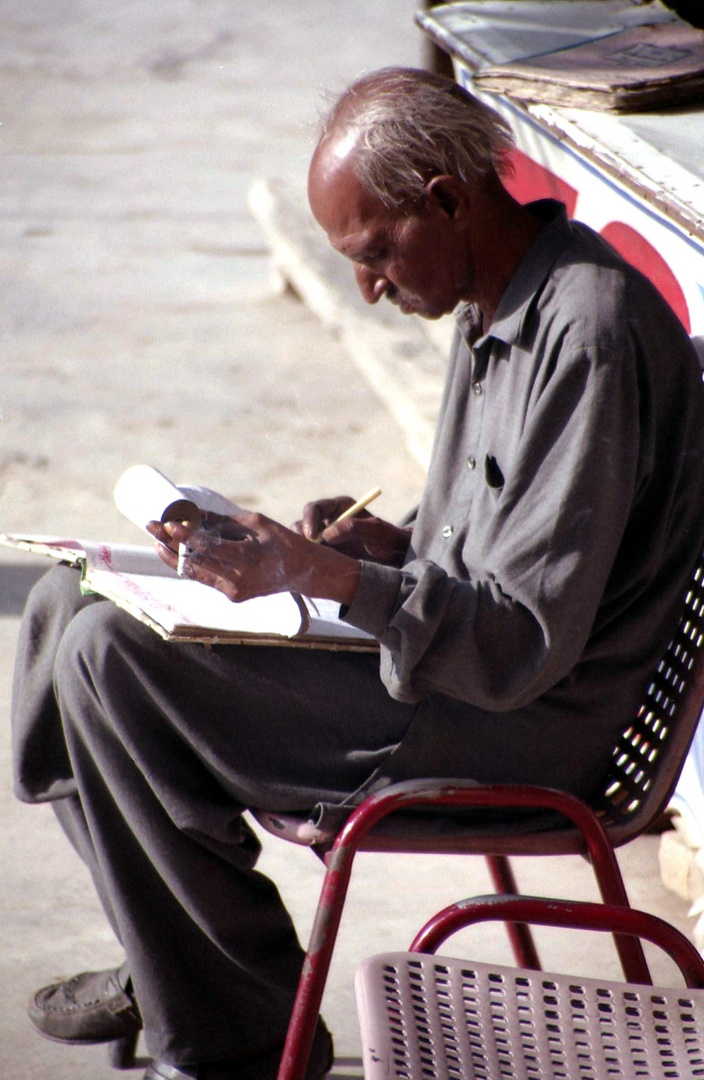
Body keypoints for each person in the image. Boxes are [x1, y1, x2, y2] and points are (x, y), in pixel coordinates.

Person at [11, 66, 704, 1080]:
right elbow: (489, 544)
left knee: (110, 660)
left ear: (447, 200)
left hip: (508, 720)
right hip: (449, 670)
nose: (367, 289)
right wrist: (377, 545)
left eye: (375, 254)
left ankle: (222, 1031)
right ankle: (181, 961)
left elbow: (514, 645)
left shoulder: (584, 334)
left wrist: (319, 576)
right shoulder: (491, 296)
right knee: (61, 605)